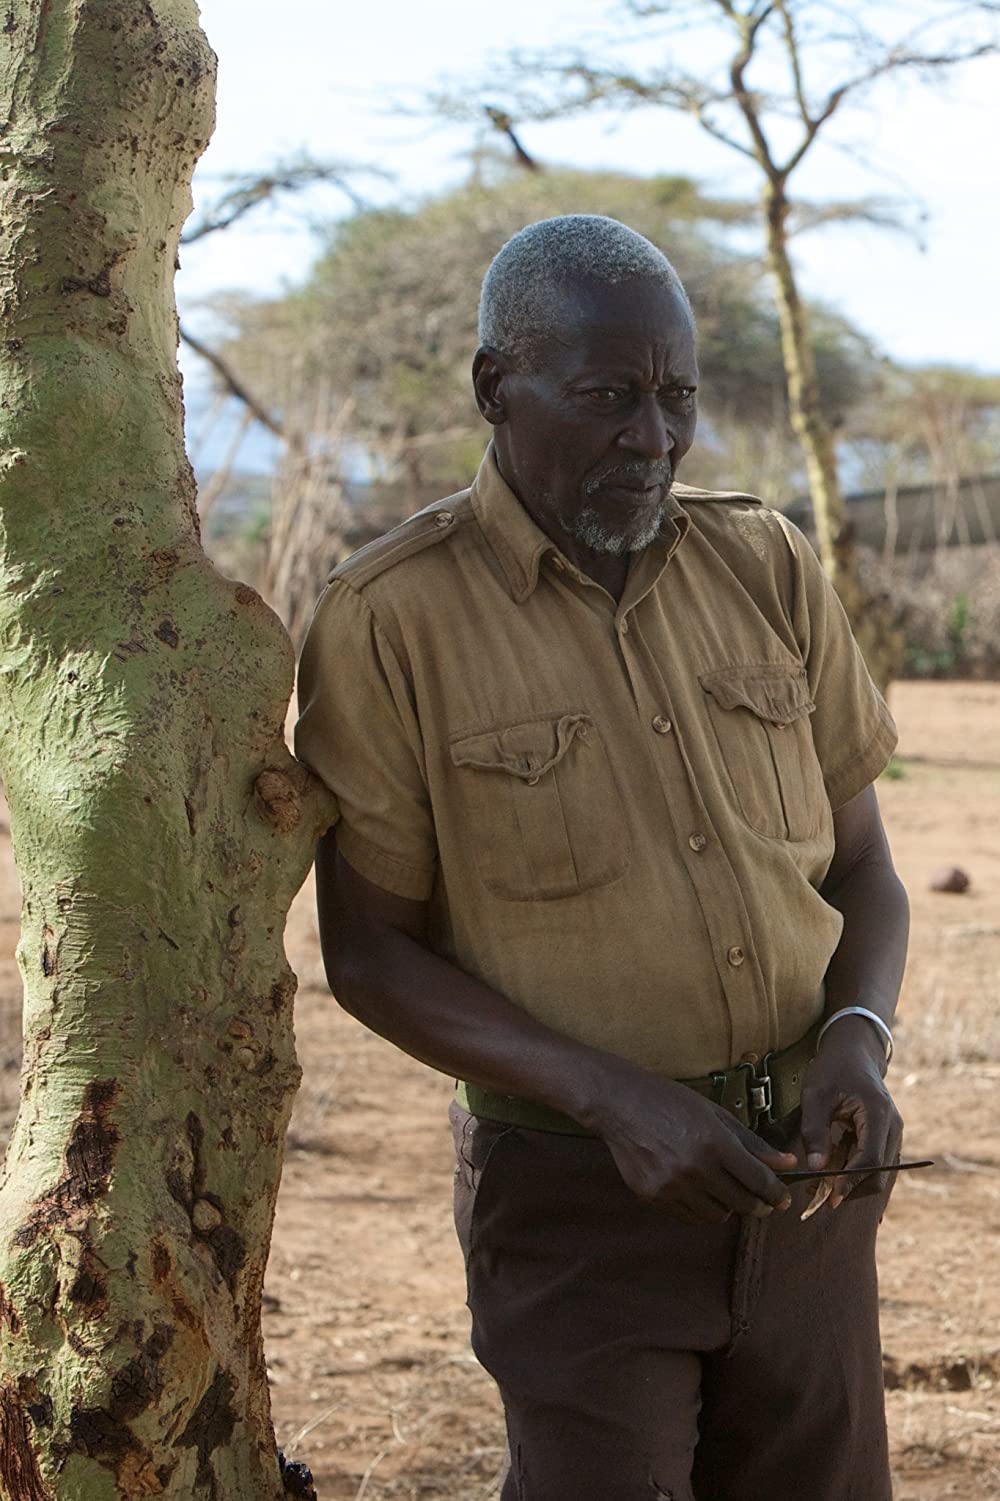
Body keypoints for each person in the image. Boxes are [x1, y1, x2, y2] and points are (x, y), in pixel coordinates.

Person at [295, 214, 909, 1501]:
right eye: (608, 397)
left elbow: (861, 869)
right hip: (577, 1204)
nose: (654, 438)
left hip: (804, 1185)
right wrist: (613, 1100)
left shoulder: (766, 562)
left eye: (677, 397)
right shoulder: (391, 619)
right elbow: (369, 952)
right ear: (493, 389)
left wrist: (856, 1037)